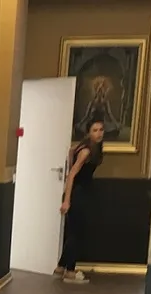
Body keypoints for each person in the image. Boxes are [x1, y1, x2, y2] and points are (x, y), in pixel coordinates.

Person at [56, 116, 105, 284]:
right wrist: (67, 200)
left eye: (101, 130)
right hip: (78, 193)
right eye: (95, 130)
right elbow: (72, 174)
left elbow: (71, 151)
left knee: (75, 231)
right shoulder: (86, 151)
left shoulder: (85, 148)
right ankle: (70, 271)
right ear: (89, 132)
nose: (99, 133)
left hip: (82, 191)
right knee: (77, 233)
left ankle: (61, 267)